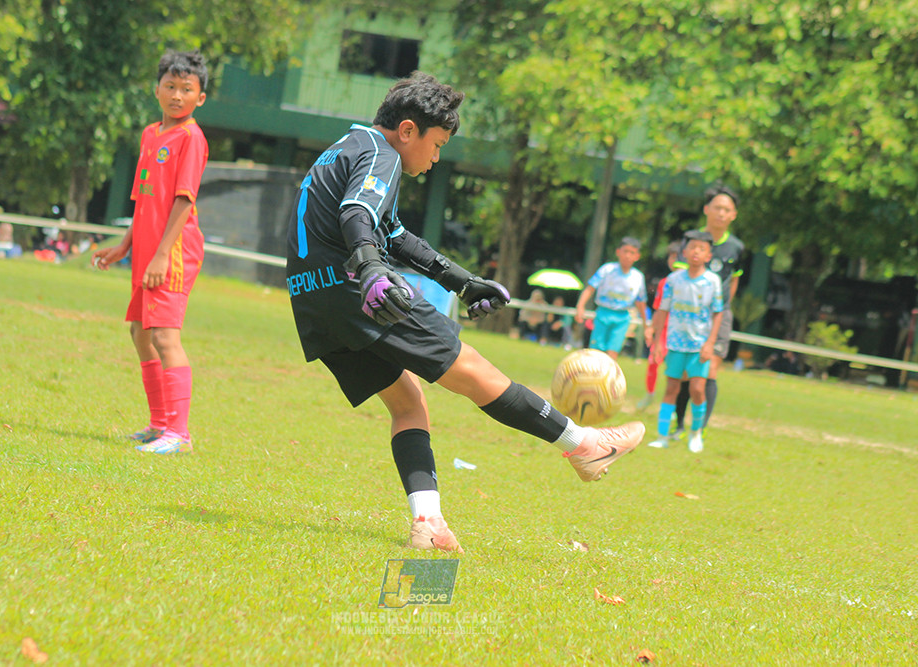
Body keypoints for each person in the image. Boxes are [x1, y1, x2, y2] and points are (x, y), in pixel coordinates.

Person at [285, 72, 645, 553]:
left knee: (408, 403)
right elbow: (358, 215)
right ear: (408, 130)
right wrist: (370, 269)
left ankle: (428, 523)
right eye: (436, 145)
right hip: (358, 290)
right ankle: (584, 445)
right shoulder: (382, 154)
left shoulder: (348, 147)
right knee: (473, 369)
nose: (436, 158)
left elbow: (393, 233)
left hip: (313, 300)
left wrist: (460, 280)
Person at [92, 49, 209, 455]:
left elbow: (183, 200)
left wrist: (161, 255)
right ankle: (160, 424)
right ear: (156, 89)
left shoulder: (191, 138)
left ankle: (179, 434)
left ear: (200, 98)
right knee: (140, 332)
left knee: (163, 335)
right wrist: (123, 246)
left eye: (186, 89)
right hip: (145, 249)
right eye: (170, 86)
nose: (177, 95)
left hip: (172, 252)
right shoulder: (149, 134)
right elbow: (145, 200)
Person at [675, 184, 745, 434]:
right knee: (685, 373)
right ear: (706, 209)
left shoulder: (736, 247)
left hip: (718, 315)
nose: (721, 213)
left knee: (710, 369)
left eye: (727, 210)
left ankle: (698, 431)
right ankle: (678, 426)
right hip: (688, 314)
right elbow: (678, 275)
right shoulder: (690, 239)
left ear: (733, 215)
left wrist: (722, 309)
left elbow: (734, 279)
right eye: (717, 208)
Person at [647, 231, 723, 453]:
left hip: (699, 345)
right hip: (675, 344)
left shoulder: (712, 281)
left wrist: (710, 343)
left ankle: (696, 433)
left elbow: (718, 313)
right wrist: (658, 342)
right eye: (692, 247)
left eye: (702, 248)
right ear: (685, 252)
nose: (696, 252)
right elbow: (663, 310)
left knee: (697, 389)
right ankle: (662, 436)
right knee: (671, 388)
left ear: (708, 255)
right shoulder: (674, 280)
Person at [574, 237, 648, 361]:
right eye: (625, 251)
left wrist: (646, 325)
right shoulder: (607, 270)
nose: (628, 256)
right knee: (596, 352)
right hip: (603, 313)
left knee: (613, 353)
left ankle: (607, 374)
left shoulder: (638, 277)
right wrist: (580, 306)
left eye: (632, 253)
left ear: (637, 256)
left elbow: (641, 302)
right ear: (618, 252)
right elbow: (590, 288)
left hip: (622, 317)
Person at [637, 241, 682, 411]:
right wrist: (651, 328)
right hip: (663, 330)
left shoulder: (692, 282)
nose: (673, 261)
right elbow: (658, 309)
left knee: (676, 370)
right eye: (671, 257)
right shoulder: (665, 282)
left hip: (680, 332)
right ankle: (650, 394)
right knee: (653, 361)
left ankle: (673, 405)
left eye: (677, 257)